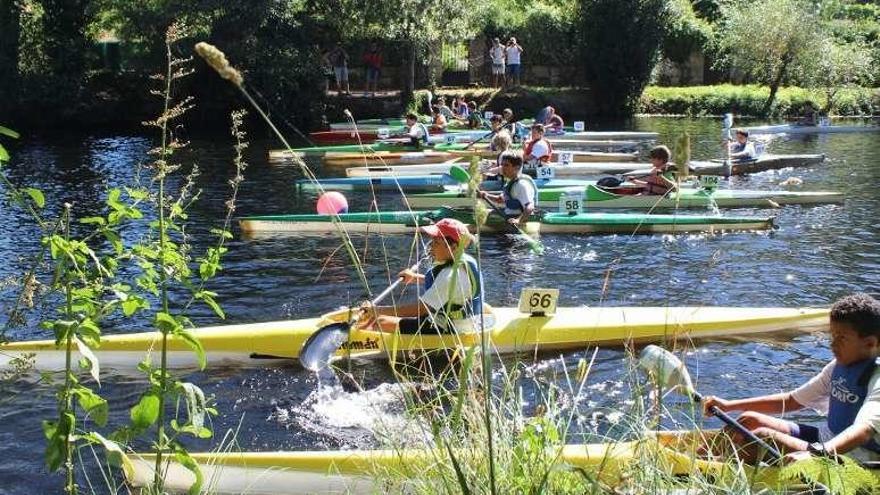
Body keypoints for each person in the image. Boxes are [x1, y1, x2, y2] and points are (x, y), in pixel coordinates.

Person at [702, 293, 880, 464]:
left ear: (870, 343)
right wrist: (729, 405)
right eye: (832, 335)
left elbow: (864, 431)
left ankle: (713, 469)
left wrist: (817, 454)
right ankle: (698, 457)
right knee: (749, 419)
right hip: (826, 438)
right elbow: (792, 400)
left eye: (842, 338)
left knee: (764, 437)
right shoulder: (839, 366)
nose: (833, 344)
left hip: (859, 457)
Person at [357, 218, 483, 335]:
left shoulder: (449, 276)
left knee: (380, 321)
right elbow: (449, 289)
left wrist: (376, 310)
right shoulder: (465, 260)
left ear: (453, 247)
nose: (431, 246)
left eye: (436, 242)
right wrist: (415, 278)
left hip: (451, 328)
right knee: (385, 318)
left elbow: (421, 309)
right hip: (462, 321)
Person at [479, 152, 537, 226]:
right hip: (508, 215)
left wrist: (518, 220)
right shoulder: (510, 181)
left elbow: (530, 207)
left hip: (516, 219)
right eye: (502, 165)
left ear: (517, 167)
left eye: (506, 165)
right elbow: (500, 200)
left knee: (481, 216)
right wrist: (486, 195)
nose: (502, 168)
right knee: (480, 213)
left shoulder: (522, 185)